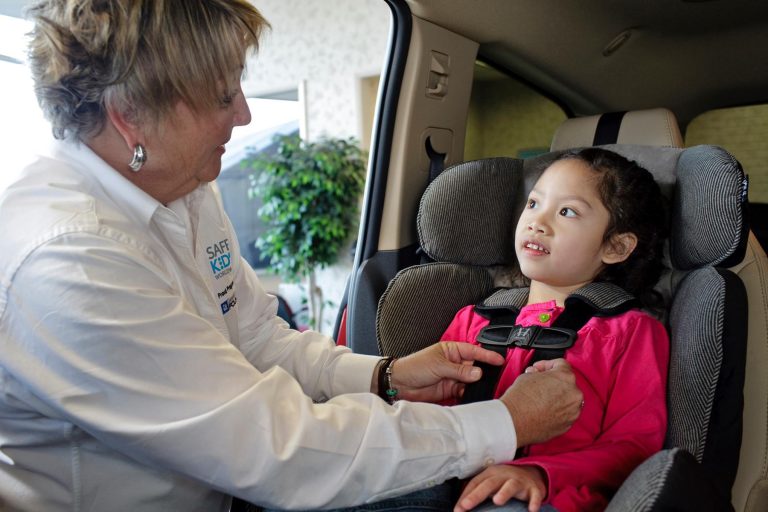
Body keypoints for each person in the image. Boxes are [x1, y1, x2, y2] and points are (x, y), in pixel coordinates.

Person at [0, 2, 584, 511]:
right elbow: (274, 447)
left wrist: (384, 377)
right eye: (223, 95)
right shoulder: (68, 261)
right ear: (130, 116)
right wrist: (504, 423)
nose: (245, 114)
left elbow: (257, 338)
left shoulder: (182, 188)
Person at [440, 148, 670, 512]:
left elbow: (633, 447)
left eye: (567, 212)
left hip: (547, 498)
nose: (537, 222)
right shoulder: (475, 321)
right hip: (445, 484)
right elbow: (428, 412)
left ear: (616, 246)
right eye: (533, 204)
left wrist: (539, 473)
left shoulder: (629, 333)